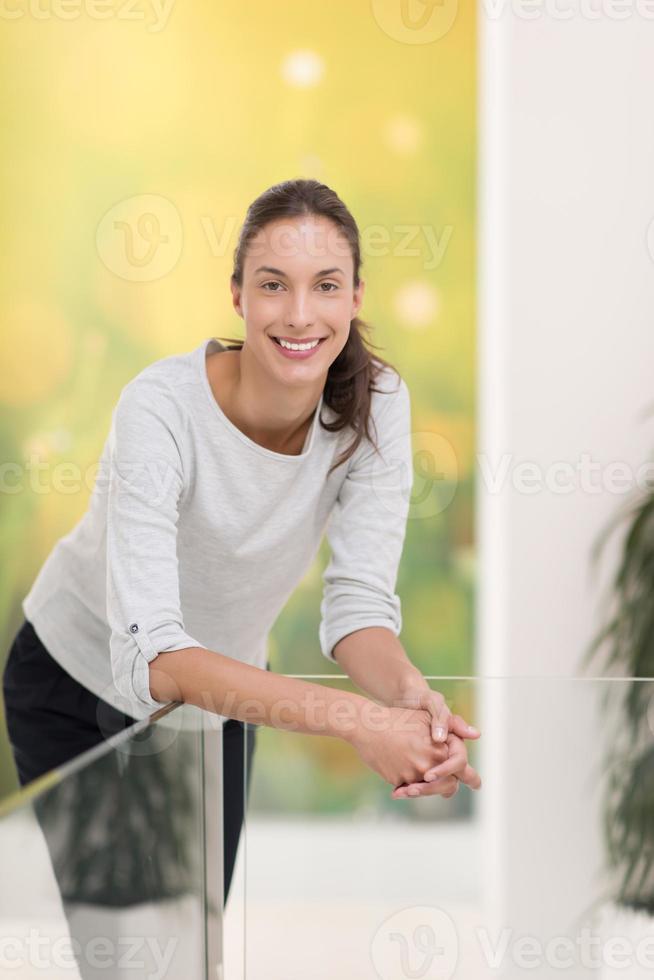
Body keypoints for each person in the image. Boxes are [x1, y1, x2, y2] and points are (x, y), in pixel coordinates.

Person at [3, 177, 481, 917]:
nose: (299, 314)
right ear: (237, 296)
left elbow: (356, 609)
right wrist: (359, 722)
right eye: (272, 285)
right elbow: (154, 656)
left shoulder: (378, 405)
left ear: (356, 298)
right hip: (80, 683)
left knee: (197, 936)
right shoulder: (160, 410)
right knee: (132, 951)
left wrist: (409, 700)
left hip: (222, 702)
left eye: (325, 286)